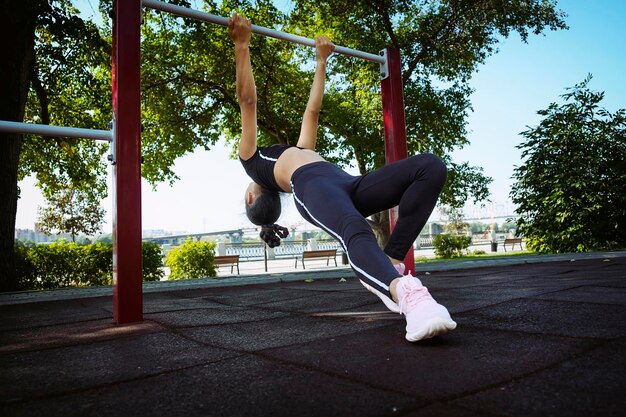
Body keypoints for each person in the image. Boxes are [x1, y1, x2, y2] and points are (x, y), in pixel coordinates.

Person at [228, 14, 456, 342]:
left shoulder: (295, 151)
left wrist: (321, 61)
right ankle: (408, 296)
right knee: (356, 230)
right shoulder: (251, 161)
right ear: (253, 196)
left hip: (348, 184)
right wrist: (241, 44)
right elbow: (247, 103)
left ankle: (389, 262)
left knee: (429, 167)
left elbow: (312, 112)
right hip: (315, 189)